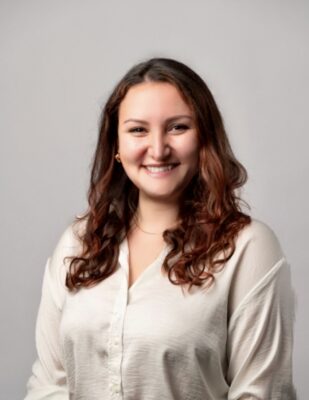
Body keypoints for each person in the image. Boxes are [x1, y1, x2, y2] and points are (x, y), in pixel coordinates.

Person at [25, 57, 296, 400]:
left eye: (177, 127)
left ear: (204, 139)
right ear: (117, 147)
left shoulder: (248, 248)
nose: (157, 149)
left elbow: (261, 393)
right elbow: (49, 384)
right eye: (138, 129)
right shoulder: (77, 243)